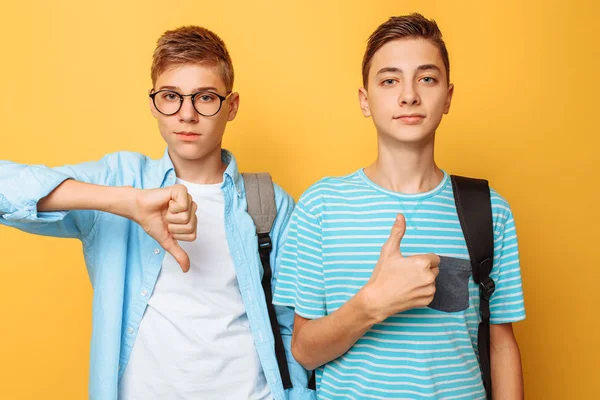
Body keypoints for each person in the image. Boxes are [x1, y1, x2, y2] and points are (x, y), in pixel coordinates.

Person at [0, 26, 313, 400]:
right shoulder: (119, 181)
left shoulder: (269, 202)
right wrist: (125, 202)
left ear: (231, 106)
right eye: (171, 96)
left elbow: (293, 327)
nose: (187, 114)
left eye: (205, 97)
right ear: (153, 104)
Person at [273, 14, 525, 399]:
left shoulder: (489, 211)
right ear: (365, 100)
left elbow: (500, 345)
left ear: (448, 97)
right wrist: (373, 303)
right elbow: (305, 352)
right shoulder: (320, 206)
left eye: (427, 78)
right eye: (390, 80)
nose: (409, 95)